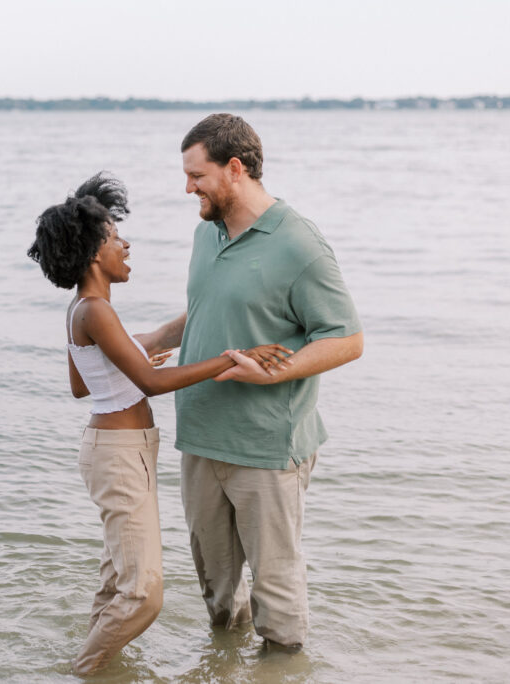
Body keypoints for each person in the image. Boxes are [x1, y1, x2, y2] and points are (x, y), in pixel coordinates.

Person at [27, 173, 292, 675]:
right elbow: (149, 382)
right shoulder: (98, 311)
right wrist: (232, 358)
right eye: (113, 238)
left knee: (117, 579)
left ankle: (101, 668)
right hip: (119, 453)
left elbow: (83, 384)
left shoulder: (85, 309)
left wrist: (138, 353)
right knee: (144, 593)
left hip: (121, 448)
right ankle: (77, 672)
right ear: (91, 253)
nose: (125, 244)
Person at [141, 114, 363, 651]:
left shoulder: (299, 244)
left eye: (197, 175)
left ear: (235, 168)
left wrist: (274, 374)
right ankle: (223, 665)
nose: (187, 187)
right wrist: (148, 341)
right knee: (217, 596)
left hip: (266, 447)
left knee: (277, 596)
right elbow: (208, 309)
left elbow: (346, 338)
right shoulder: (206, 232)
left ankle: (283, 666)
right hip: (199, 438)